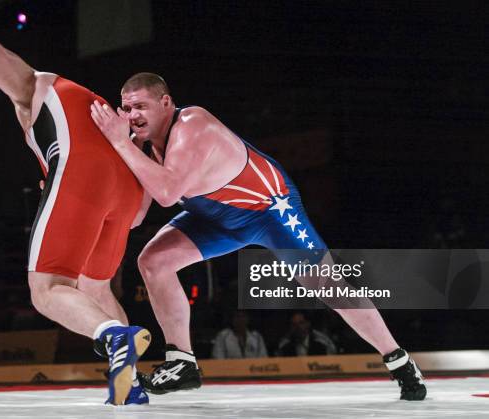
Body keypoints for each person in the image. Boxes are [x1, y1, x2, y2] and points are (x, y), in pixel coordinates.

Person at [90, 72, 427, 401]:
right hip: (215, 217)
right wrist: (123, 155)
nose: (133, 116)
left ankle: (399, 360)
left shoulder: (193, 124)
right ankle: (182, 363)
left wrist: (121, 143)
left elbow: (166, 193)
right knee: (153, 261)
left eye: (141, 106)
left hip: (269, 210)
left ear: (166, 102)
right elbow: (134, 218)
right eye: (127, 109)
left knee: (328, 286)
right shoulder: (144, 147)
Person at [0, 39, 152, 405]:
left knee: (46, 289)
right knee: (96, 287)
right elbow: (127, 207)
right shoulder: (81, 103)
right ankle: (128, 383)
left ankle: (115, 335)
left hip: (86, 174)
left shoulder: (34, 86)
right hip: (127, 187)